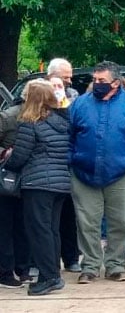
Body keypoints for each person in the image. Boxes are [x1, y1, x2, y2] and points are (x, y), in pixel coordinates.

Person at [70, 61, 125, 283]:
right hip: (84, 173)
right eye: (94, 80)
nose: (96, 84)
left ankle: (116, 265)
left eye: (102, 81)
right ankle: (89, 266)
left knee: (121, 221)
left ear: (115, 83)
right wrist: (72, 161)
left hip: (123, 173)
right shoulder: (79, 105)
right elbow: (69, 136)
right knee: (87, 222)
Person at [5, 80, 71, 296]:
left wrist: (8, 158)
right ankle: (52, 274)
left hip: (37, 183)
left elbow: (20, 157)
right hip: (61, 183)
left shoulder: (29, 122)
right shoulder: (61, 121)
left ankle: (48, 277)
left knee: (38, 230)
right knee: (52, 230)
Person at [46, 75, 80, 273]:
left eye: (60, 86)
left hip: (68, 171)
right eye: (54, 86)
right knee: (49, 222)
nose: (58, 89)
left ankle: (71, 258)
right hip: (49, 172)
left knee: (69, 217)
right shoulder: (39, 112)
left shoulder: (71, 109)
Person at [0, 87, 32, 288]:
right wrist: (6, 153)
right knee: (7, 226)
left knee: (23, 226)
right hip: (8, 179)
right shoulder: (8, 116)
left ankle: (22, 268)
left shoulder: (41, 116)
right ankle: (6, 271)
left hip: (28, 178)